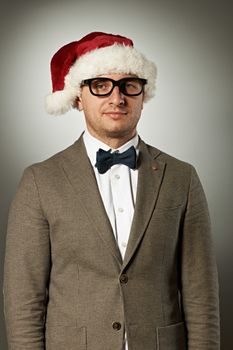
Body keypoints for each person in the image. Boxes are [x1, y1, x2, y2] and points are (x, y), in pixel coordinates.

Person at [3, 32, 220, 350]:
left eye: (129, 85)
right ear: (79, 97)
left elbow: (201, 294)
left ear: (143, 95)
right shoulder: (39, 181)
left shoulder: (181, 178)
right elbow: (24, 301)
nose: (117, 98)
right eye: (100, 85)